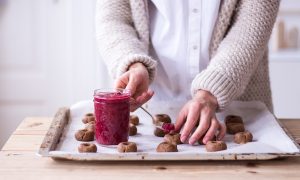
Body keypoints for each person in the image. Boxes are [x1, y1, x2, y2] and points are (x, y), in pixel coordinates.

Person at [95, 0, 280, 145]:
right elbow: (113, 18)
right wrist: (134, 64)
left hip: (237, 112)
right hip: (151, 110)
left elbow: (251, 27)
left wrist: (210, 93)